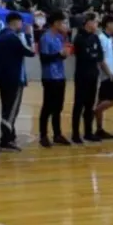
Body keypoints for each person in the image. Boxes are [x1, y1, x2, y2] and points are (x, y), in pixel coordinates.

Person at [0, 13, 34, 152]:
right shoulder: (13, 37)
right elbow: (31, 52)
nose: (22, 26)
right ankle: (5, 141)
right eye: (21, 23)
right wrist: (29, 35)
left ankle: (9, 135)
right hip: (14, 78)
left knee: (6, 107)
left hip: (2, 76)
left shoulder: (0, 35)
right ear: (16, 22)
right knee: (11, 110)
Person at [71, 14, 108, 144]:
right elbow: (85, 55)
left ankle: (88, 132)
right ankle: (75, 134)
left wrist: (93, 53)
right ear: (88, 22)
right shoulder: (79, 38)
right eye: (95, 22)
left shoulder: (95, 37)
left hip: (93, 74)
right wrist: (93, 53)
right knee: (79, 105)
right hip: (82, 75)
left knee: (90, 105)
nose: (97, 25)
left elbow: (99, 55)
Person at [38, 11, 70, 147]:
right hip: (50, 76)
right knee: (48, 106)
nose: (64, 25)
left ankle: (57, 134)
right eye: (62, 22)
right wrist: (59, 54)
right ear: (56, 23)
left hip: (60, 75)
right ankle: (43, 135)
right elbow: (44, 58)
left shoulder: (59, 37)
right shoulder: (46, 38)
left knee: (58, 107)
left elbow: (60, 56)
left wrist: (63, 55)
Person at [94, 15, 113, 140]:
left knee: (102, 101)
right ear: (108, 25)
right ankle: (93, 111)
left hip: (110, 73)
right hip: (107, 75)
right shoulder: (101, 38)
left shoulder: (111, 38)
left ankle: (99, 129)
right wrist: (109, 73)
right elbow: (101, 59)